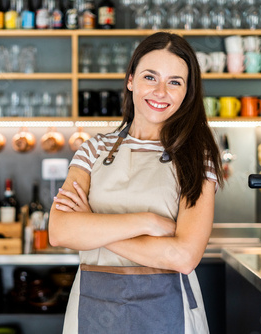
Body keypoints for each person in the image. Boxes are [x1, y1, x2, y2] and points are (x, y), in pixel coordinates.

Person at [48, 32, 224, 334]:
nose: (160, 92)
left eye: (175, 82)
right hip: (92, 307)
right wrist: (147, 222)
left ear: (187, 92)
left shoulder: (197, 156)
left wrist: (91, 225)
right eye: (150, 77)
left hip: (170, 312)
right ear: (131, 80)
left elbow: (183, 257)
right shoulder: (93, 150)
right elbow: (60, 230)